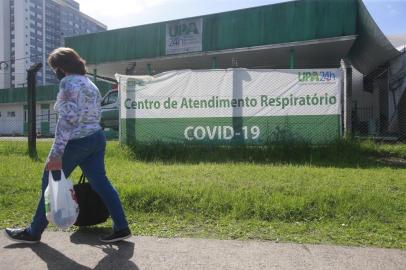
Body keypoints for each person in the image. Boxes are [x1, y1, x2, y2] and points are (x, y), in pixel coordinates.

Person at [4, 47, 131, 244]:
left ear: (62, 67)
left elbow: (68, 119)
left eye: (55, 67)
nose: (55, 71)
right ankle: (122, 227)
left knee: (50, 179)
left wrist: (56, 153)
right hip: (96, 138)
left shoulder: (68, 83)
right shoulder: (90, 83)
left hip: (76, 141)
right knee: (101, 184)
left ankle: (33, 232)